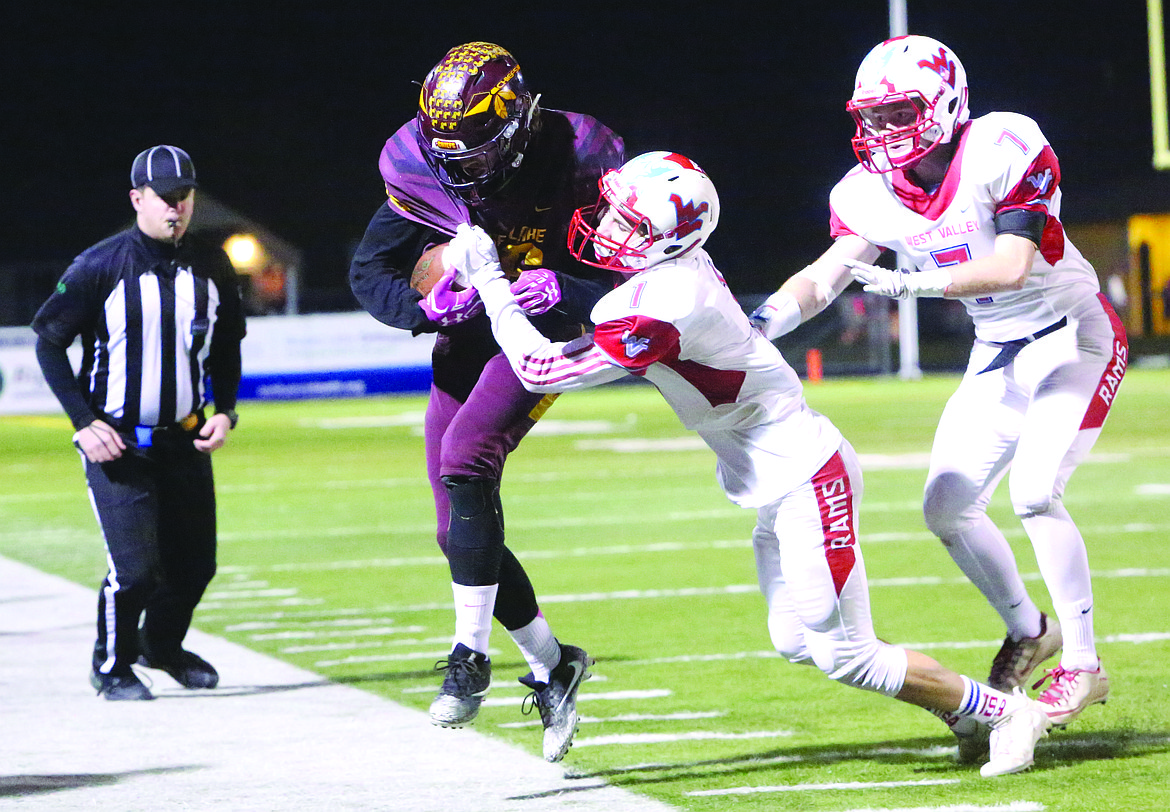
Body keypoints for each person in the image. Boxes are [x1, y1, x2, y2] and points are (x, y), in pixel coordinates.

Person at [448, 150, 1053, 778]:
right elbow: (604, 319)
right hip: (776, 480)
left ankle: (1005, 713)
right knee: (797, 640)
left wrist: (492, 281)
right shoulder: (669, 275)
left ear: (665, 237)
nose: (606, 224)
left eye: (626, 219)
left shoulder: (666, 301)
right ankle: (970, 712)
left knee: (846, 653)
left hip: (805, 476)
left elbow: (540, 368)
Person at [749, 35, 1126, 729]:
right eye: (875, 116)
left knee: (1037, 493)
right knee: (947, 507)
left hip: (1071, 334)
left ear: (948, 102)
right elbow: (828, 275)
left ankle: (1082, 663)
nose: (885, 130)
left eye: (900, 113)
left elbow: (1012, 266)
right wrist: (760, 324)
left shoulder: (1002, 145)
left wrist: (909, 282)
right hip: (997, 350)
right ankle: (1028, 629)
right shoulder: (866, 193)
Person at [348, 41, 624, 761]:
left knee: (468, 457)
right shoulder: (424, 164)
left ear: (516, 124)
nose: (458, 172)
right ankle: (553, 663)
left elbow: (636, 281)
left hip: (540, 332)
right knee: (455, 534)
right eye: (449, 156)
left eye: (472, 154)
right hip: (469, 337)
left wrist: (570, 289)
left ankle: (467, 657)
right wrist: (428, 309)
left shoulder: (579, 154)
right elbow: (369, 270)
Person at [32, 145, 246, 701]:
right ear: (137, 199)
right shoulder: (100, 265)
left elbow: (226, 347)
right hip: (119, 444)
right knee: (134, 572)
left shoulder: (213, 263)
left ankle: (163, 646)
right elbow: (50, 343)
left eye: (184, 195)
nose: (177, 206)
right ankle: (111, 665)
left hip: (185, 440)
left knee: (197, 566)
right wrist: (83, 422)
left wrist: (225, 410)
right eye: (164, 196)